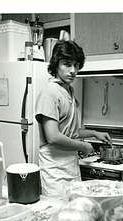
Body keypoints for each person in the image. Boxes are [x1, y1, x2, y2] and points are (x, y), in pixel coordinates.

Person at [35, 40, 112, 198]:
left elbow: (69, 130)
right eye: (67, 64)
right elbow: (54, 136)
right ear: (56, 65)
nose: (73, 71)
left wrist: (94, 133)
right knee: (59, 216)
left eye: (76, 65)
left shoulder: (68, 91)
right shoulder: (50, 93)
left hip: (69, 165)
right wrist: (83, 147)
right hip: (55, 171)